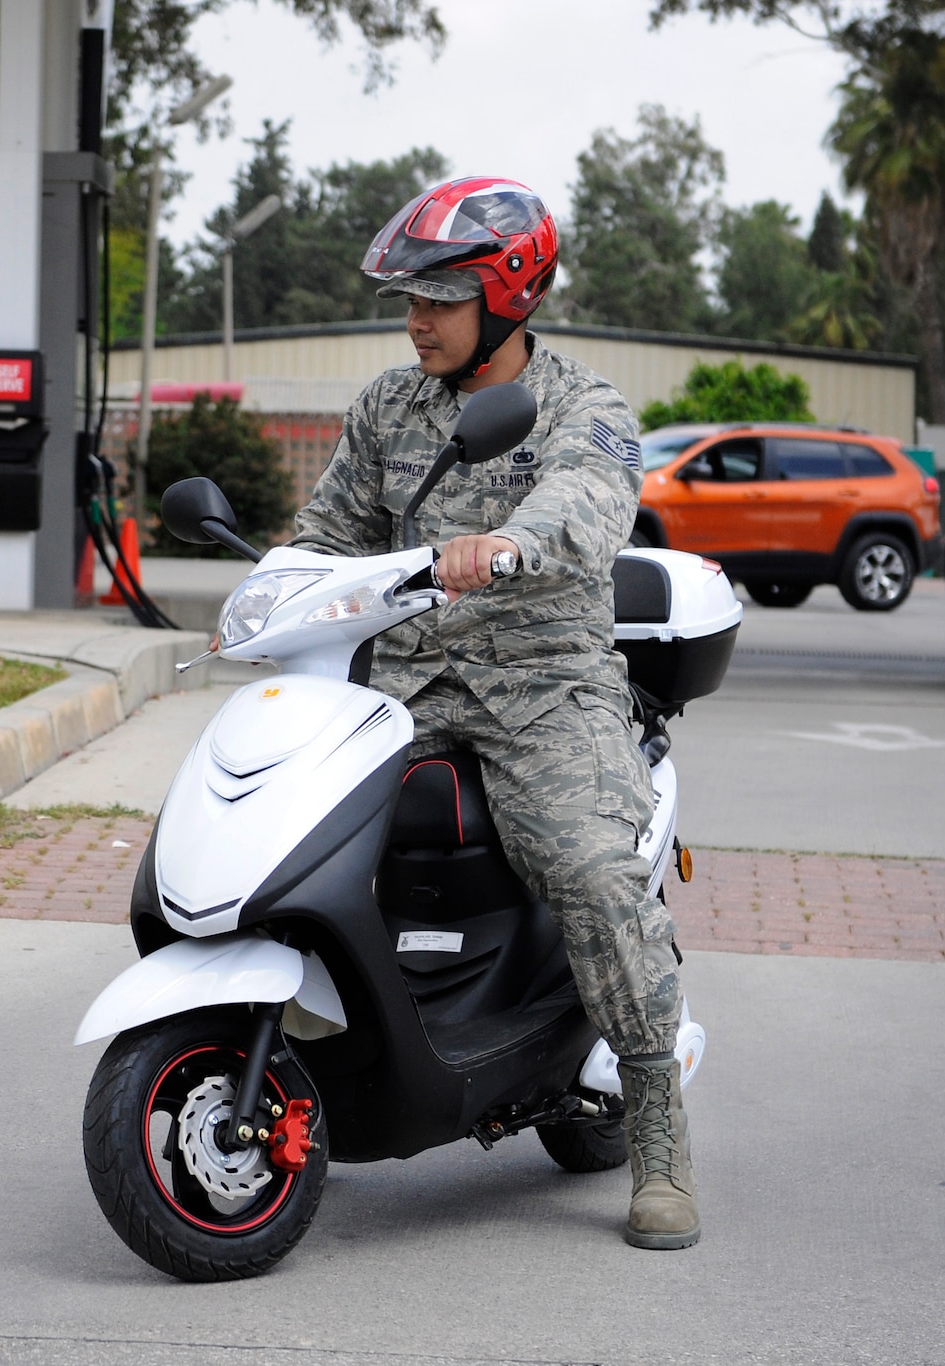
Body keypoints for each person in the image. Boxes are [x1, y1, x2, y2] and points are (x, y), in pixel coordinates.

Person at [291, 177, 699, 1250]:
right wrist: (269, 590)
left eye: (438, 298)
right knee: (286, 842)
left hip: (542, 681)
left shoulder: (585, 408)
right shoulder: (386, 407)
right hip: (407, 685)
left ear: (507, 295)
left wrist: (509, 542)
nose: (414, 319)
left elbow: (584, 503)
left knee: (589, 868)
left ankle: (656, 1122)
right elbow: (324, 533)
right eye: (408, 299)